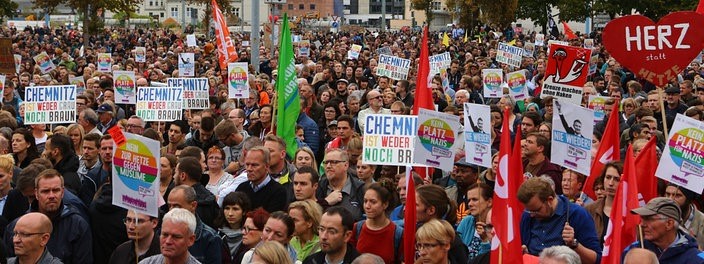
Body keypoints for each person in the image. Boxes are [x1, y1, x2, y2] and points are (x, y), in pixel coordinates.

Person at [4, 169, 93, 263]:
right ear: (36, 194)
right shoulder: (16, 227)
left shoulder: (77, 225)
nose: (51, 196)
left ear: (62, 192)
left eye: (56, 190)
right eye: (45, 191)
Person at [517, 177, 601, 264]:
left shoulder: (576, 214)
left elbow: (596, 259)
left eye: (537, 210)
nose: (532, 214)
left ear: (549, 200)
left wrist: (574, 244)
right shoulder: (528, 215)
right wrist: (524, 252)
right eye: (529, 210)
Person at [623, 197, 704, 263]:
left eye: (649, 219)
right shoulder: (633, 250)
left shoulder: (696, 259)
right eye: (642, 219)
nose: (642, 224)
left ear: (669, 224)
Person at [167, 185, 224, 264]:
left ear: (193, 205)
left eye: (177, 206)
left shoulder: (210, 239)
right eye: (169, 206)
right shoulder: (161, 234)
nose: (171, 211)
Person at [353, 182, 403, 264]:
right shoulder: (357, 228)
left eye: (373, 202)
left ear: (385, 204)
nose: (367, 206)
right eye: (365, 201)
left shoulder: (398, 233)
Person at [316, 149, 366, 221]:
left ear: (346, 165)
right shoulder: (318, 187)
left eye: (334, 162)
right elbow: (310, 214)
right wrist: (325, 202)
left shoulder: (361, 189)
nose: (328, 166)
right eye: (326, 162)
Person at [235, 146, 288, 213]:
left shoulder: (278, 192)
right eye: (247, 164)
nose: (249, 169)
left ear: (267, 166)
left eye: (254, 165)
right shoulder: (241, 188)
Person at [173, 156, 220, 229]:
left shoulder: (186, 201)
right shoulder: (211, 198)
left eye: (175, 173)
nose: (174, 176)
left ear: (183, 176)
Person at [584, 162, 622, 243]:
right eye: (608, 177)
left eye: (617, 179)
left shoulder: (630, 212)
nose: (611, 183)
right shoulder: (590, 209)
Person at [456, 183, 493, 258]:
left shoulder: (497, 225)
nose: (470, 204)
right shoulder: (466, 221)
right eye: (469, 200)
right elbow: (457, 251)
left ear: (489, 202)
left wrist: (485, 241)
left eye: (475, 200)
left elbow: (490, 259)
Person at [215, 192, 251, 262]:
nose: (230, 213)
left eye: (235, 209)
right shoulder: (216, 233)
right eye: (227, 208)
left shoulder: (250, 234)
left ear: (244, 211)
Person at [264, 135, 298, 203]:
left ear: (282, 154)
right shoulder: (258, 175)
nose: (266, 155)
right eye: (264, 151)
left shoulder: (295, 177)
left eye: (270, 151)